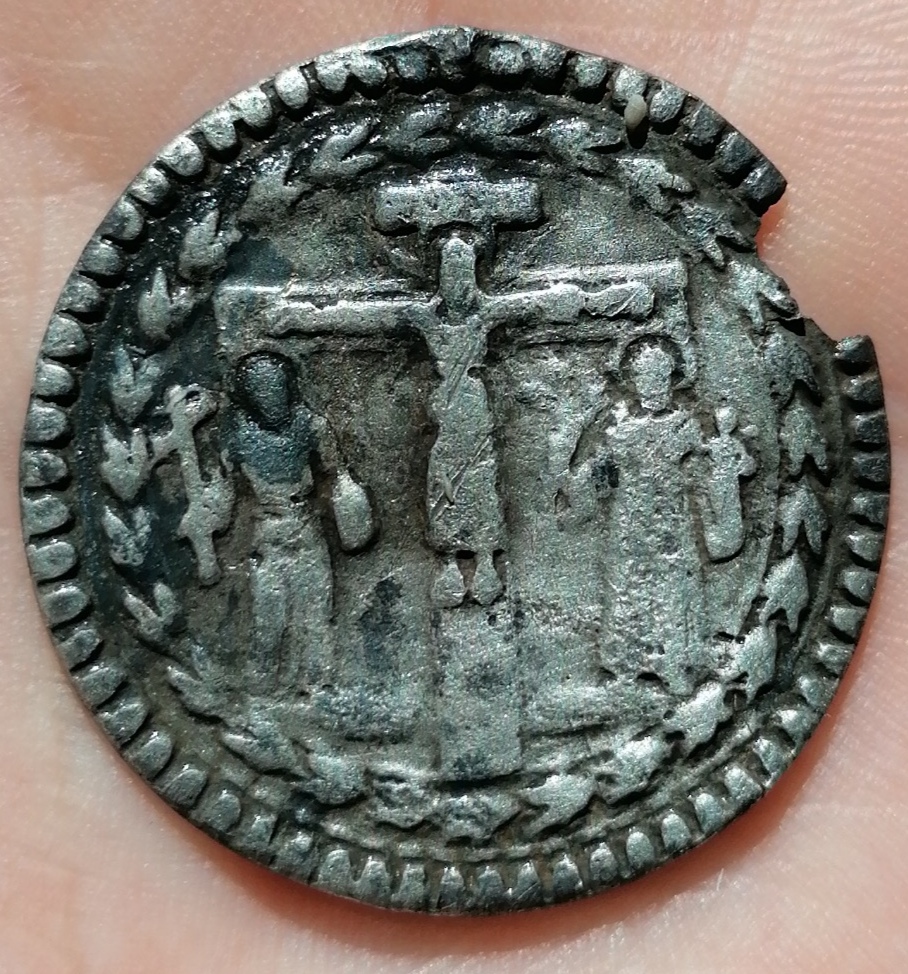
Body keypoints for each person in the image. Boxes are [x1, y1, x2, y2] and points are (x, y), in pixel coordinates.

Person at [6, 5, 905, 971]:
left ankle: (531, 625)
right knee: (441, 532)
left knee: (504, 541)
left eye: (473, 259)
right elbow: (337, 315)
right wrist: (289, 322)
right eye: (456, 260)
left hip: (494, 440)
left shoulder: (508, 317)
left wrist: (621, 308)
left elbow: (569, 301)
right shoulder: (418, 322)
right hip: (440, 438)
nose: (462, 267)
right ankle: (408, 629)